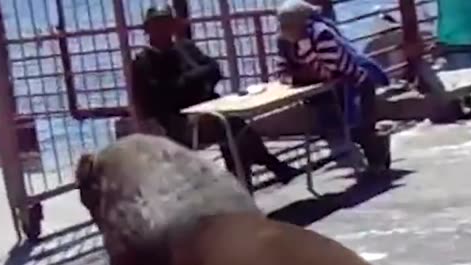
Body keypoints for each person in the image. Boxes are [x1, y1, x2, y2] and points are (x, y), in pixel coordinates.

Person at [129, 5, 300, 186]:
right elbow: (165, 95)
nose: (164, 29)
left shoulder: (185, 47)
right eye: (158, 25)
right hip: (179, 121)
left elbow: (214, 69)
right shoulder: (144, 62)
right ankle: (267, 168)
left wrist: (190, 81)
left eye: (167, 23)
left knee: (233, 124)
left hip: (209, 107)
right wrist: (195, 79)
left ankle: (243, 180)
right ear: (148, 30)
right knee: (230, 125)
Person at [275, 0, 391, 173]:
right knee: (337, 126)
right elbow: (282, 71)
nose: (284, 29)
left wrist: (303, 68)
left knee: (359, 126)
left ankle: (379, 158)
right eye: (282, 25)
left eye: (289, 25)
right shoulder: (284, 41)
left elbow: (332, 71)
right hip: (327, 89)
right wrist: (297, 75)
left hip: (354, 83)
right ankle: (373, 156)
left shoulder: (321, 34)